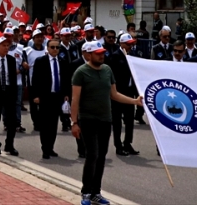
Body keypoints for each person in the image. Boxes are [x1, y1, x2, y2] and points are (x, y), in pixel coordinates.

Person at [70, 41, 143, 205]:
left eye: (102, 52)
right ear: (89, 55)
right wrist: (74, 122)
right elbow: (75, 99)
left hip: (105, 120)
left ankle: (96, 192)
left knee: (101, 156)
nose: (101, 55)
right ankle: (86, 192)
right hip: (87, 120)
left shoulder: (107, 70)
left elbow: (114, 94)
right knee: (92, 154)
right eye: (98, 53)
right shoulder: (81, 73)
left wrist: (135, 101)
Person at [31, 37, 66, 159]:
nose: (55, 49)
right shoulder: (40, 61)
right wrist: (35, 95)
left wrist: (66, 95)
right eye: (52, 47)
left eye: (57, 47)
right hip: (45, 97)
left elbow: (65, 80)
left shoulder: (62, 61)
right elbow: (35, 80)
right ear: (48, 48)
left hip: (57, 97)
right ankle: (45, 148)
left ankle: (50, 147)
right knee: (45, 124)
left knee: (54, 124)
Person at [108, 34, 139, 156]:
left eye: (131, 44)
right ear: (121, 44)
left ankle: (128, 143)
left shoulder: (133, 56)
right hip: (118, 93)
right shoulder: (115, 56)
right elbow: (112, 76)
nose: (130, 46)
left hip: (130, 92)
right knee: (117, 121)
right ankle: (118, 145)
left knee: (130, 120)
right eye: (128, 44)